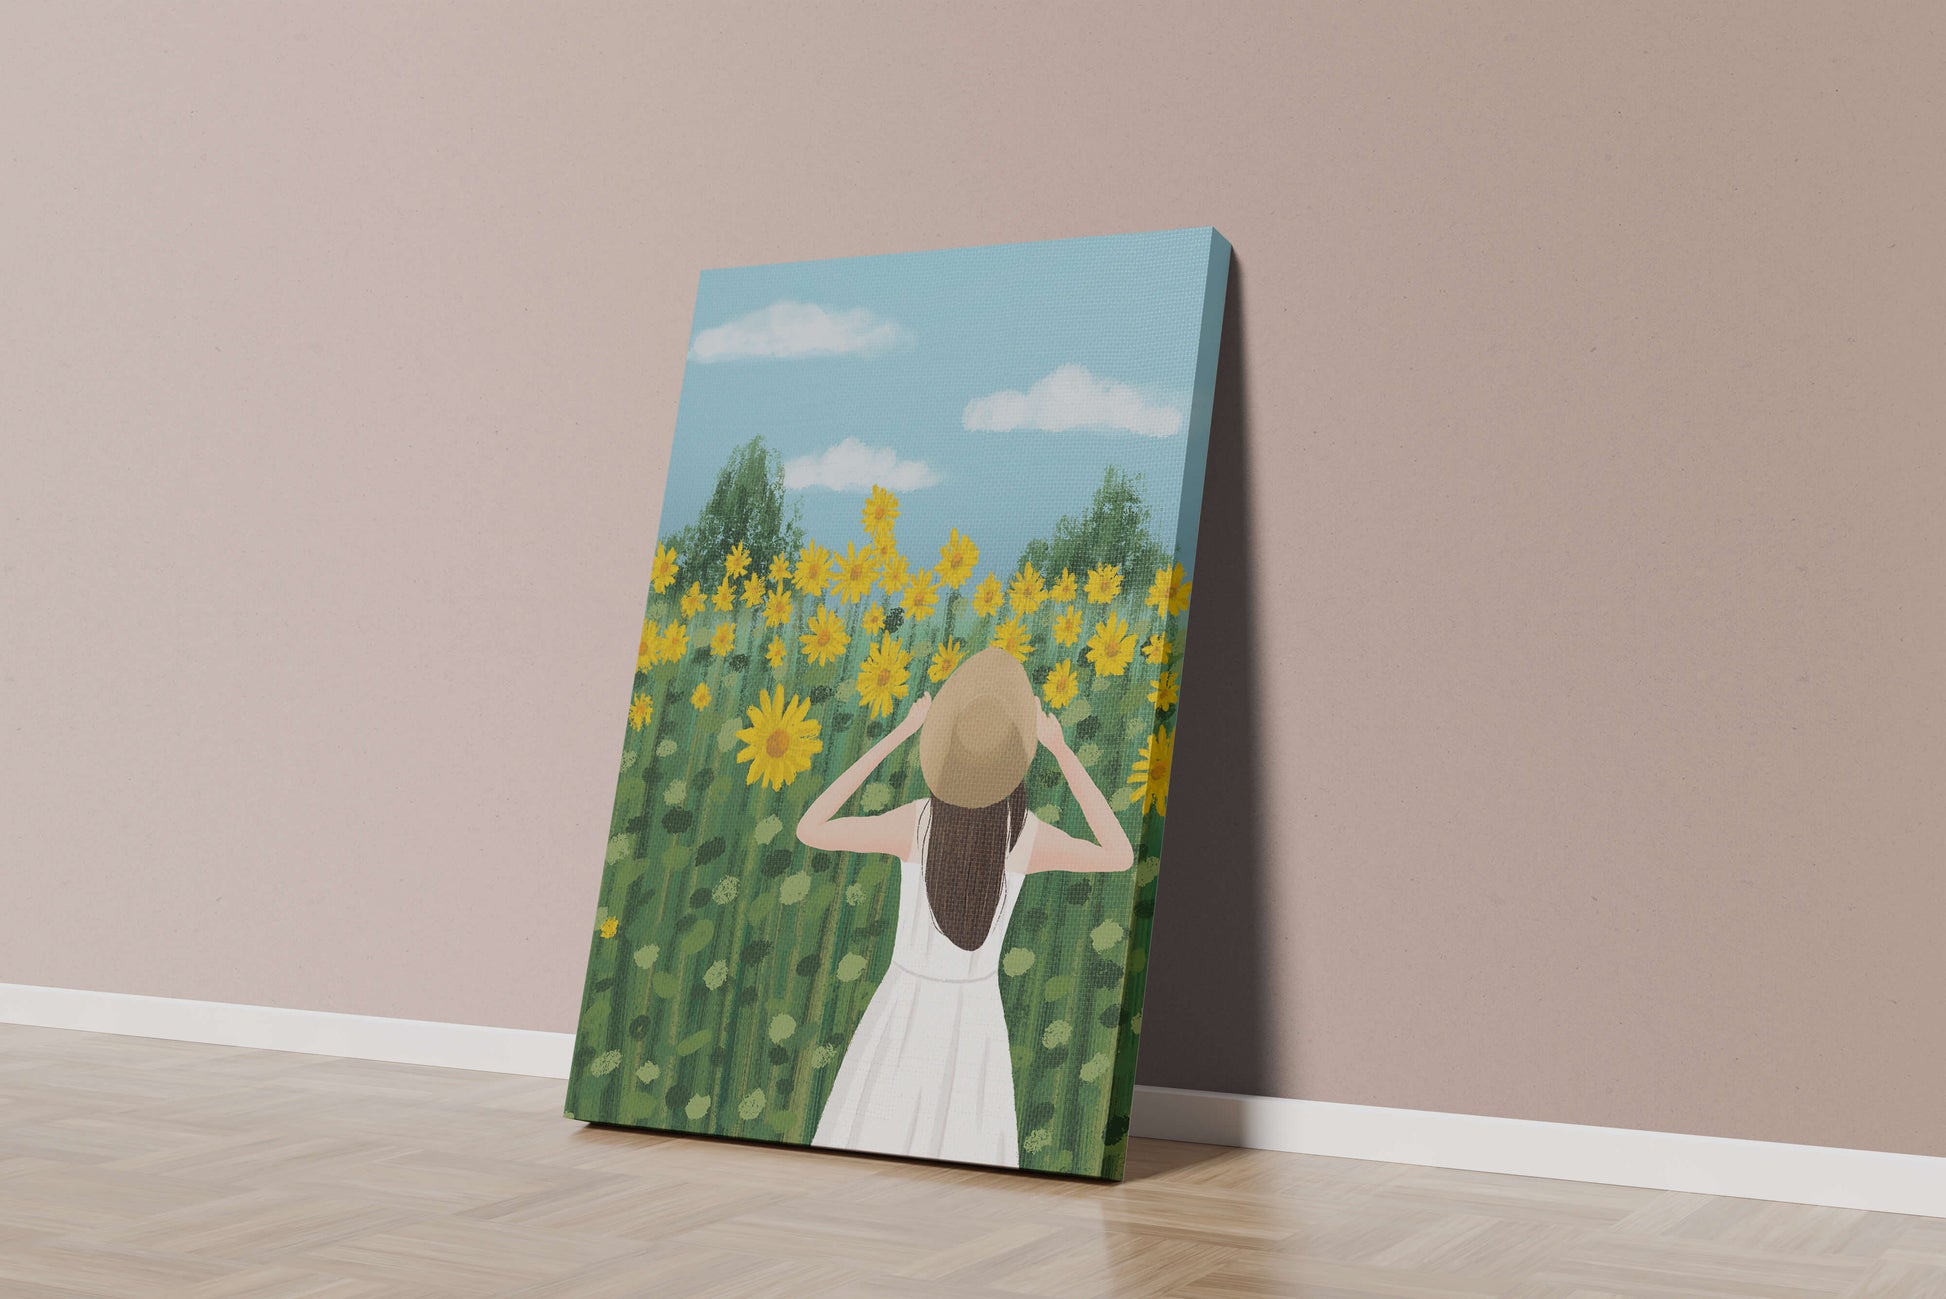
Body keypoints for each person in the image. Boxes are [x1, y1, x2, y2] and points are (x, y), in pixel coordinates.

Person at [796, 647, 1134, 1166]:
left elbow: (810, 827)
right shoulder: (1023, 837)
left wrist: (899, 734)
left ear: (946, 754)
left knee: (874, 1137)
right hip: (975, 1021)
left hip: (903, 1009)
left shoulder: (916, 823)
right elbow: (1118, 854)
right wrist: (1063, 751)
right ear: (1015, 762)